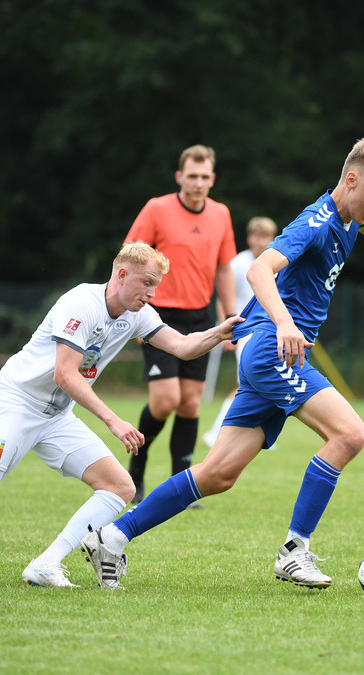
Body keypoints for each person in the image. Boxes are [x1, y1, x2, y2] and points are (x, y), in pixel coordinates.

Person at [79, 136, 364, 591]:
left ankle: (113, 537)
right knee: (350, 434)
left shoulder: (351, 216)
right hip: (273, 351)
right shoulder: (316, 223)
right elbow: (260, 269)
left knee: (218, 474)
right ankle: (295, 551)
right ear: (350, 179)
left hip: (270, 353)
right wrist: (283, 323)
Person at [0, 242, 242, 588]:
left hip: (55, 416)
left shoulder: (138, 314)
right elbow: (64, 373)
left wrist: (220, 332)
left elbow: (184, 347)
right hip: (15, 403)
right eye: (146, 283)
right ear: (122, 275)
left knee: (119, 487)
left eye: (155, 285)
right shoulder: (82, 304)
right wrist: (113, 420)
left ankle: (46, 564)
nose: (152, 293)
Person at [124, 145, 237, 503]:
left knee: (190, 404)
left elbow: (223, 268)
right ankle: (136, 471)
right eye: (192, 176)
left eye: (205, 177)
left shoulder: (221, 214)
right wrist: (131, 312)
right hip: (158, 317)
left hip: (200, 317)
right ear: (179, 177)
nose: (198, 183)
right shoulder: (157, 208)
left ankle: (180, 486)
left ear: (212, 179)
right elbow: (129, 257)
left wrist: (231, 317)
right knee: (165, 401)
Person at [202, 216, 278, 447]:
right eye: (257, 235)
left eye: (266, 236)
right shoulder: (238, 263)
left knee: (264, 384)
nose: (261, 241)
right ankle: (216, 434)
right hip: (245, 331)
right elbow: (225, 298)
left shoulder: (277, 261)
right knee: (248, 384)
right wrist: (227, 329)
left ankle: (263, 435)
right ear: (249, 238)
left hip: (270, 332)